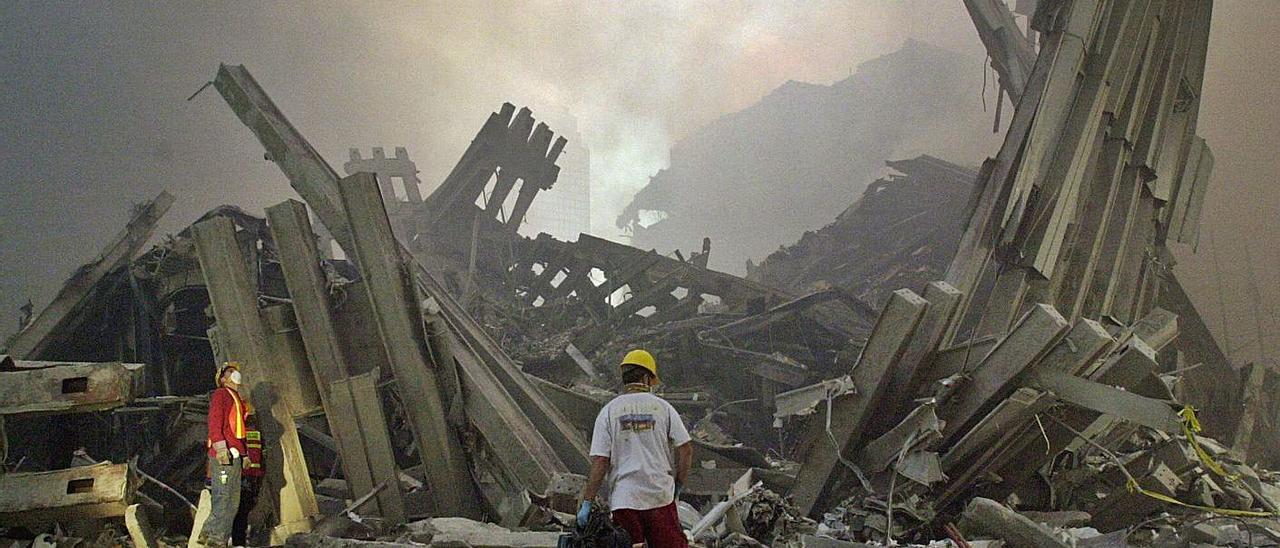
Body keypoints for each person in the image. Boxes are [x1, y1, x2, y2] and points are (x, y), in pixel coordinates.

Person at [579, 350, 693, 547]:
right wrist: (679, 483)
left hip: (625, 500)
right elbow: (686, 449)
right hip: (660, 497)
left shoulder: (608, 412)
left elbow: (601, 461)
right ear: (647, 377)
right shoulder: (664, 409)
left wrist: (587, 501)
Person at [200, 362, 248, 548]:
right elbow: (215, 423)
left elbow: (237, 431)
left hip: (233, 454)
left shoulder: (235, 397)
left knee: (230, 498)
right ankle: (216, 540)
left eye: (235, 370)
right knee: (225, 497)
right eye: (229, 371)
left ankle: (208, 535)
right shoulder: (221, 394)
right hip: (224, 455)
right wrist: (220, 449)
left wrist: (244, 455)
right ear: (222, 379)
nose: (235, 373)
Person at [231, 405, 264, 546]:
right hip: (252, 479)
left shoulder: (236, 434)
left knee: (238, 515)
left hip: (241, 479)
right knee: (243, 514)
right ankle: (241, 542)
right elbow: (259, 458)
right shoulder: (255, 432)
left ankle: (238, 542)